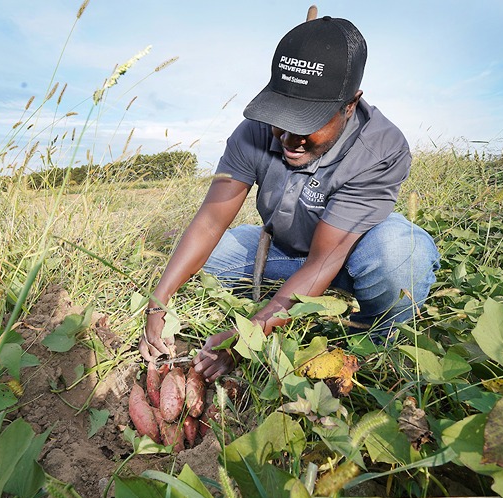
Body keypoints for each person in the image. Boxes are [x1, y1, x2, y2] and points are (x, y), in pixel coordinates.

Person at [139, 16, 440, 383]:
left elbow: (323, 260)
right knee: (201, 257)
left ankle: (373, 344)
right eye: (282, 117)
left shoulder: (380, 147)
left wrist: (246, 338)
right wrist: (159, 300)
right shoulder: (255, 130)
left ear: (349, 105)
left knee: (401, 254)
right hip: (283, 251)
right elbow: (210, 221)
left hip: (347, 259)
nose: (288, 137)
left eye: (308, 122)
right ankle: (287, 299)